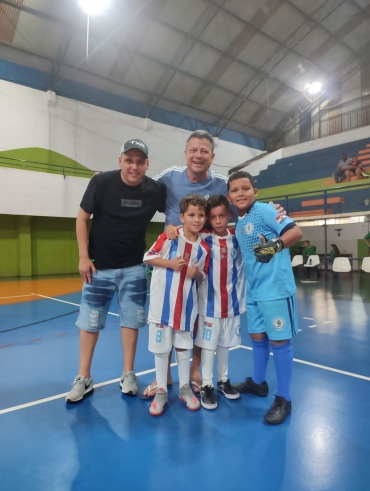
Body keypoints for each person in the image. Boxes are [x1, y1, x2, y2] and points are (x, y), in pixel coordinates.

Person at [142, 129, 284, 398]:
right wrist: (111, 181)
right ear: (186, 153)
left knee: (195, 320)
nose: (198, 155)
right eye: (193, 150)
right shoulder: (170, 177)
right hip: (174, 261)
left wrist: (270, 209)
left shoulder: (222, 183)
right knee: (167, 317)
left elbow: (245, 200)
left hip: (205, 260)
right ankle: (164, 379)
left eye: (204, 151)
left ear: (212, 156)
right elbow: (142, 186)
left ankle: (196, 372)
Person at [66, 139, 166, 403]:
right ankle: (83, 377)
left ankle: (128, 374)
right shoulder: (101, 183)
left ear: (147, 164)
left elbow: (183, 208)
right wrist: (83, 256)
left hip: (134, 268)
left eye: (139, 161)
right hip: (99, 267)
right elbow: (81, 217)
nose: (134, 166)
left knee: (131, 322)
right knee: (89, 324)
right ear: (120, 160)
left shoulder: (155, 190)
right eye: (129, 160)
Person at [227, 171, 303, 425]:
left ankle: (284, 399)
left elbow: (295, 232)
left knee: (279, 342)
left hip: (276, 290)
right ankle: (259, 384)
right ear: (229, 196)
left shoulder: (266, 211)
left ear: (255, 192)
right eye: (235, 190)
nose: (240, 193)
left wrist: (272, 248)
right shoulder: (239, 223)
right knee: (257, 338)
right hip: (255, 291)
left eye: (245, 188)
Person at [144, 194, 211, 416]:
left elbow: (202, 276)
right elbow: (148, 257)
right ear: (182, 217)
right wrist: (171, 264)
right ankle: (162, 390)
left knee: (183, 348)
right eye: (191, 215)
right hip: (161, 307)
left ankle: (184, 388)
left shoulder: (204, 249)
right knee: (162, 349)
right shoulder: (170, 236)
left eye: (201, 215)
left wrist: (196, 273)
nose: (196, 219)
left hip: (186, 308)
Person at [195, 195, 246, 410]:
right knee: (208, 345)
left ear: (230, 216)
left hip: (232, 304)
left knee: (224, 344)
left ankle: (223, 380)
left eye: (222, 216)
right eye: (213, 217)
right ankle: (206, 384)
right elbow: (182, 230)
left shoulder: (238, 237)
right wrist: (171, 227)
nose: (217, 221)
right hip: (208, 305)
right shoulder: (202, 238)